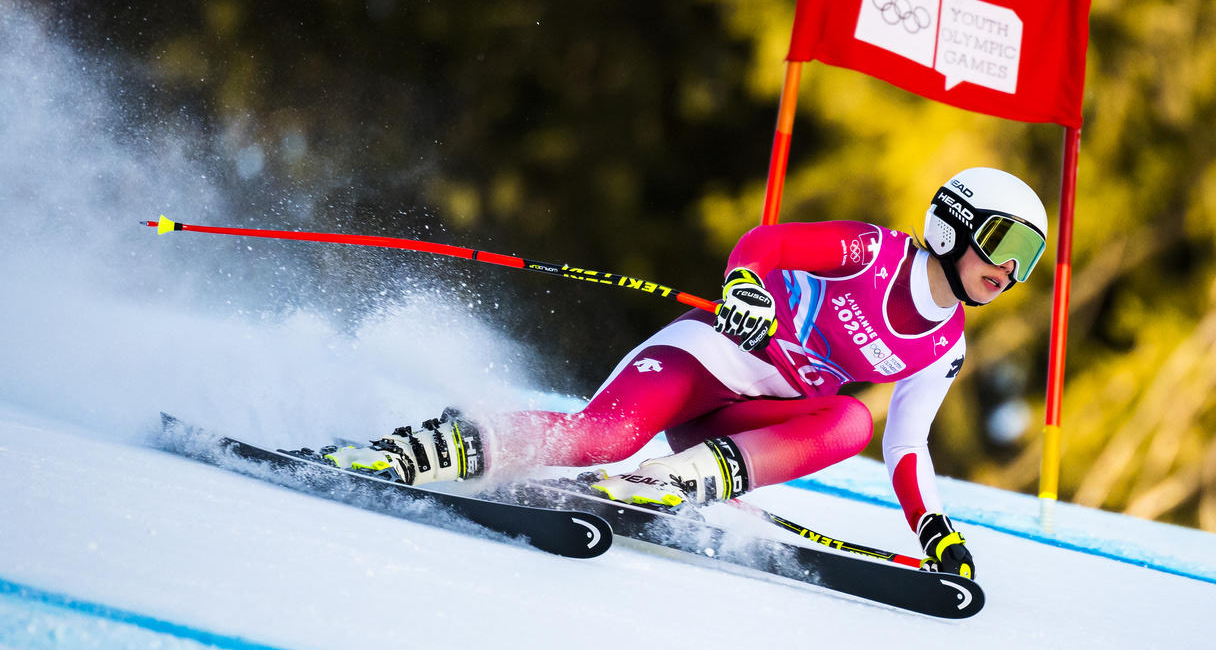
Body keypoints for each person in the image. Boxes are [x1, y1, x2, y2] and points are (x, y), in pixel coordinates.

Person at [323, 167, 1049, 579]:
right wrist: (747, 289)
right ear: (953, 225)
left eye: (1029, 255)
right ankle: (411, 450)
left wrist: (934, 530)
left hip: (747, 417)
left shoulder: (944, 345)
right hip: (710, 357)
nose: (1011, 268)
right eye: (1004, 241)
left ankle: (667, 484)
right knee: (603, 436)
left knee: (853, 420)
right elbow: (762, 244)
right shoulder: (873, 252)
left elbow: (908, 446)